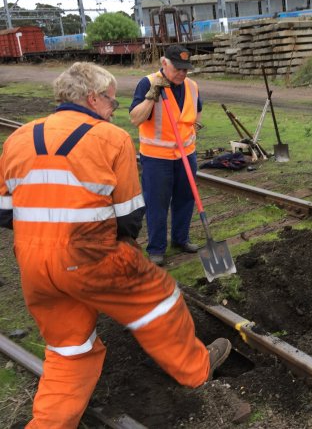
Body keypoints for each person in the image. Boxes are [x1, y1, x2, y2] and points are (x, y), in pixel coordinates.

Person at [0, 62, 231, 428]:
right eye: (111, 100)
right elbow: (128, 217)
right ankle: (196, 369)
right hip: (90, 253)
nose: (113, 109)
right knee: (162, 301)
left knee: (70, 349)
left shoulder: (18, 138)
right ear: (92, 98)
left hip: (33, 263)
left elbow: (4, 212)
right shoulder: (111, 138)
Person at [130, 44, 203, 266]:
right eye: (177, 68)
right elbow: (135, 118)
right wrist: (152, 96)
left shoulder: (192, 86)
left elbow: (197, 109)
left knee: (185, 199)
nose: (182, 73)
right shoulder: (148, 83)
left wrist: (194, 129)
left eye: (185, 69)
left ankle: (181, 239)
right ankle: (156, 248)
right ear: (164, 63)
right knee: (157, 204)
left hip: (186, 154)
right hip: (157, 158)